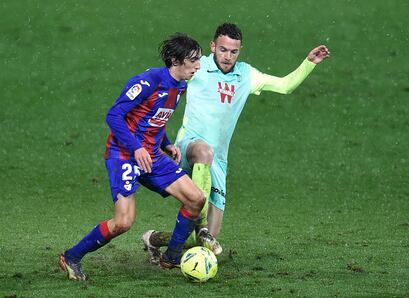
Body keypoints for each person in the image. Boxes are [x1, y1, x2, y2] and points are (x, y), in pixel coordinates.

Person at [141, 23, 330, 262]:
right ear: (213, 47)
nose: (227, 56)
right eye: (222, 50)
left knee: (207, 241)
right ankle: (199, 226)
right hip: (188, 147)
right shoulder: (199, 66)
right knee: (204, 153)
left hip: (218, 161)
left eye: (233, 51)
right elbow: (170, 80)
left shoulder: (246, 75)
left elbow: (285, 86)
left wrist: (309, 63)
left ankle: (153, 239)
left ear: (239, 51)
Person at [59, 33, 210, 281]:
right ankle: (71, 256)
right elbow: (114, 115)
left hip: (151, 155)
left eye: (199, 60)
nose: (198, 66)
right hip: (124, 155)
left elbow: (153, 120)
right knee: (124, 222)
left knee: (196, 198)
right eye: (193, 60)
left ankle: (171, 258)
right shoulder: (148, 81)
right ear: (175, 59)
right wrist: (136, 148)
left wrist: (167, 143)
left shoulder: (181, 86)